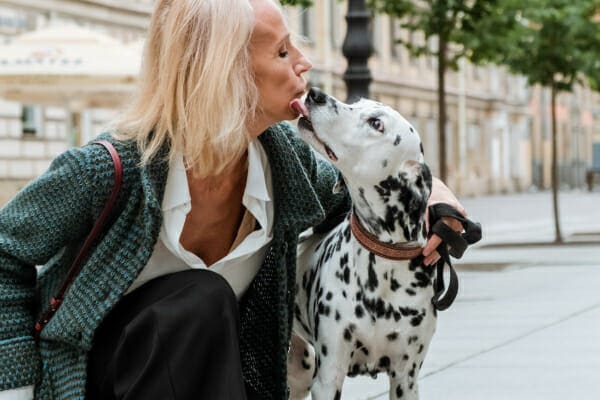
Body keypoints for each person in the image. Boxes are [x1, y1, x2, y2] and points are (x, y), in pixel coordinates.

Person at [0, 0, 465, 399]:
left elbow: (359, 195)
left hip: (206, 381)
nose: (303, 62)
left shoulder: (289, 168)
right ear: (224, 71)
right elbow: (5, 251)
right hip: (93, 382)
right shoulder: (108, 170)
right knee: (203, 297)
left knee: (209, 308)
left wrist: (434, 194)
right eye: (282, 51)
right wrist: (17, 388)